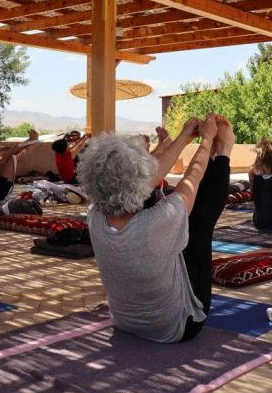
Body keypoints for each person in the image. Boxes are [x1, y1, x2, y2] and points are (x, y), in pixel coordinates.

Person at [77, 114, 234, 343]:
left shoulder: (94, 215)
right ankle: (224, 151)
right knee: (199, 225)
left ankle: (217, 151)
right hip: (176, 327)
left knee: (161, 210)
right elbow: (193, 176)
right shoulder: (156, 222)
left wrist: (184, 137)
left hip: (123, 321)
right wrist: (208, 140)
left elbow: (147, 180)